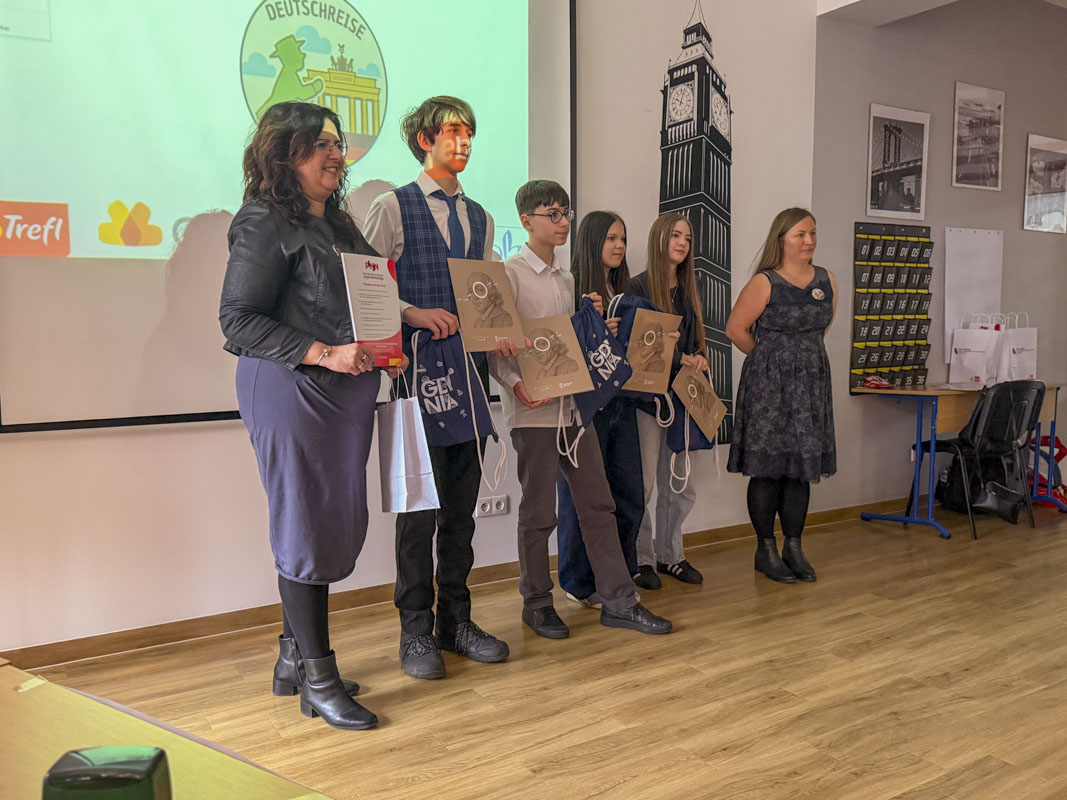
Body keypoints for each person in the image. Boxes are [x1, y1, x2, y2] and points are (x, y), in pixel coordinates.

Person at [220, 101, 406, 731]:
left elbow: (369, 297)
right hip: (292, 389)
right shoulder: (263, 219)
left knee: (323, 523)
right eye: (318, 143)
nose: (335, 153)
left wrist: (395, 336)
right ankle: (319, 680)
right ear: (283, 152)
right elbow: (237, 320)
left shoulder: (339, 224)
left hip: (341, 395)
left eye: (336, 142)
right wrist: (325, 352)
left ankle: (291, 659)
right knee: (305, 525)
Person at [363, 96, 509, 679]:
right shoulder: (391, 208)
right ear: (424, 140)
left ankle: (456, 621)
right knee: (417, 512)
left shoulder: (482, 217)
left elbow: (483, 298)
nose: (464, 141)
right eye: (452, 131)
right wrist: (411, 312)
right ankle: (415, 631)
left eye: (470, 132)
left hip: (468, 378)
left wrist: (499, 332)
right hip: (415, 374)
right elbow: (364, 286)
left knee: (461, 510)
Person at [490, 181, 672, 638]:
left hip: (573, 410)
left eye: (565, 212)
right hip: (533, 412)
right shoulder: (509, 274)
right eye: (551, 213)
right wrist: (515, 385)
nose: (562, 221)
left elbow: (570, 344)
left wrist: (594, 326)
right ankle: (536, 602)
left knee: (598, 504)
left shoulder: (568, 279)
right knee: (538, 513)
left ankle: (619, 601)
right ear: (526, 220)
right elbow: (495, 346)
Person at [725, 208, 837, 583]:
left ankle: (793, 547)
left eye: (813, 233)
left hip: (810, 387)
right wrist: (770, 358)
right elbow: (735, 329)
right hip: (768, 388)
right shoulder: (765, 282)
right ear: (782, 240)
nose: (809, 241)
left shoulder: (827, 280)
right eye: (800, 234)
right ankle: (766, 549)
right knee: (768, 469)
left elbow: (822, 328)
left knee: (800, 470)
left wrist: (801, 360)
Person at [555, 211, 646, 609]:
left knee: (628, 492)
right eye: (610, 238)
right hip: (586, 406)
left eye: (622, 238)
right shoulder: (572, 288)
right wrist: (590, 330)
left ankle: (619, 576)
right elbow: (557, 346)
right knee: (582, 498)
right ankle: (579, 582)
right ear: (592, 241)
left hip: (623, 402)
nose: (619, 246)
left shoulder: (627, 291)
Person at [630, 212, 708, 589]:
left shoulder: (688, 289)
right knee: (644, 484)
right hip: (647, 402)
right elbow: (636, 350)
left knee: (680, 484)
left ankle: (671, 555)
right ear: (659, 238)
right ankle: (642, 558)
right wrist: (677, 356)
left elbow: (694, 344)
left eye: (687, 238)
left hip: (682, 398)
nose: (682, 243)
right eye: (676, 235)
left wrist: (698, 358)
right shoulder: (637, 287)